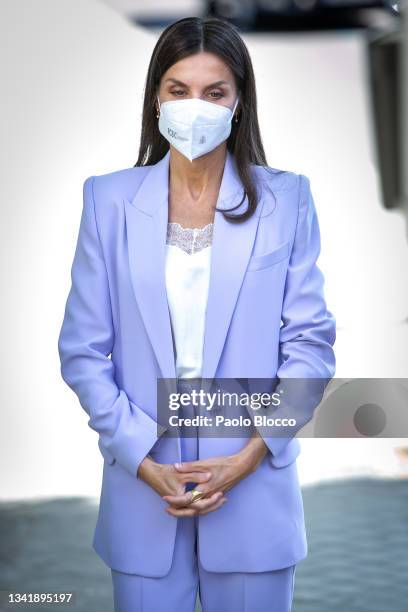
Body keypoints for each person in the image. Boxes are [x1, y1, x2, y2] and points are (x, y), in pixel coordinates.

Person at [57, 15, 336, 612]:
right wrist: (138, 454)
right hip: (144, 492)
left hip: (253, 483)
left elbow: (310, 345)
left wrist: (255, 450)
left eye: (215, 92)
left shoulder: (287, 200)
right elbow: (82, 348)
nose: (194, 107)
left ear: (239, 104)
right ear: (155, 98)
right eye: (178, 90)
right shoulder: (107, 200)